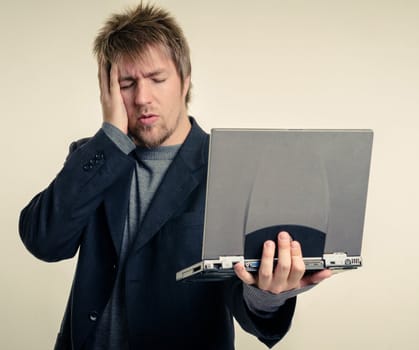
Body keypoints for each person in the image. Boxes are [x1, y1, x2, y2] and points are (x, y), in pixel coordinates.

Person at [19, 4, 331, 350]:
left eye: (157, 79)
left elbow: (246, 306)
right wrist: (110, 138)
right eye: (126, 83)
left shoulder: (229, 168)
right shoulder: (93, 156)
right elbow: (43, 241)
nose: (142, 98)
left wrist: (269, 294)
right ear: (106, 92)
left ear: (184, 79)